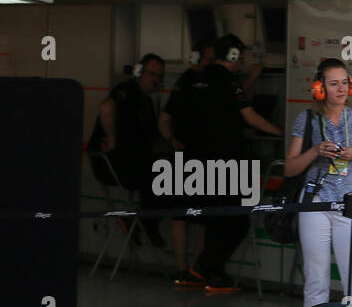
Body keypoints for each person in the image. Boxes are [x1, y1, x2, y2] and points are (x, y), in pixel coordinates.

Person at [176, 34, 282, 292]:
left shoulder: (197, 78)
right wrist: (282, 133)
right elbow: (251, 117)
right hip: (225, 162)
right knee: (237, 219)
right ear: (233, 55)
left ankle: (205, 271)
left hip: (196, 161)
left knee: (214, 218)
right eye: (241, 56)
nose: (242, 61)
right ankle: (208, 271)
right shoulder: (228, 80)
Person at [282, 58, 352, 307]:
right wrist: (316, 151)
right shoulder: (307, 118)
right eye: (333, 84)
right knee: (316, 280)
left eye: (345, 83)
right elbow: (290, 167)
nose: (340, 89)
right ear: (320, 88)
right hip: (316, 202)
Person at [89, 54, 167, 247]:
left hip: (130, 162)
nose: (156, 79)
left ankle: (141, 223)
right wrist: (112, 138)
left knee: (167, 178)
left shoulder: (147, 103)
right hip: (111, 163)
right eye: (152, 73)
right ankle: (143, 223)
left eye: (159, 75)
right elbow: (106, 108)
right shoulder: (127, 90)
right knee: (158, 180)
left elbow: (150, 138)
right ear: (139, 71)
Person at [157, 38, 213, 281]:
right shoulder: (187, 81)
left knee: (203, 216)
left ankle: (194, 269)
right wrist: (173, 142)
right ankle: (183, 268)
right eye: (210, 60)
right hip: (184, 156)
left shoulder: (214, 81)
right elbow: (164, 119)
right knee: (180, 213)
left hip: (206, 157)